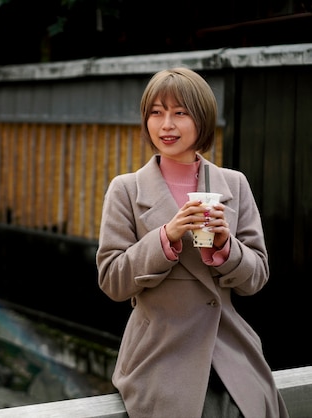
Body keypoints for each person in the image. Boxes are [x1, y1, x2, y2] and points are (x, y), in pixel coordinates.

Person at [95, 67, 288, 418]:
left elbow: (257, 276)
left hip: (230, 349)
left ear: (202, 119)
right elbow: (112, 281)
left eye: (180, 113)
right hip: (159, 355)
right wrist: (165, 237)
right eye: (156, 112)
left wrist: (225, 247)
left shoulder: (235, 184)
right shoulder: (126, 189)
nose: (166, 124)